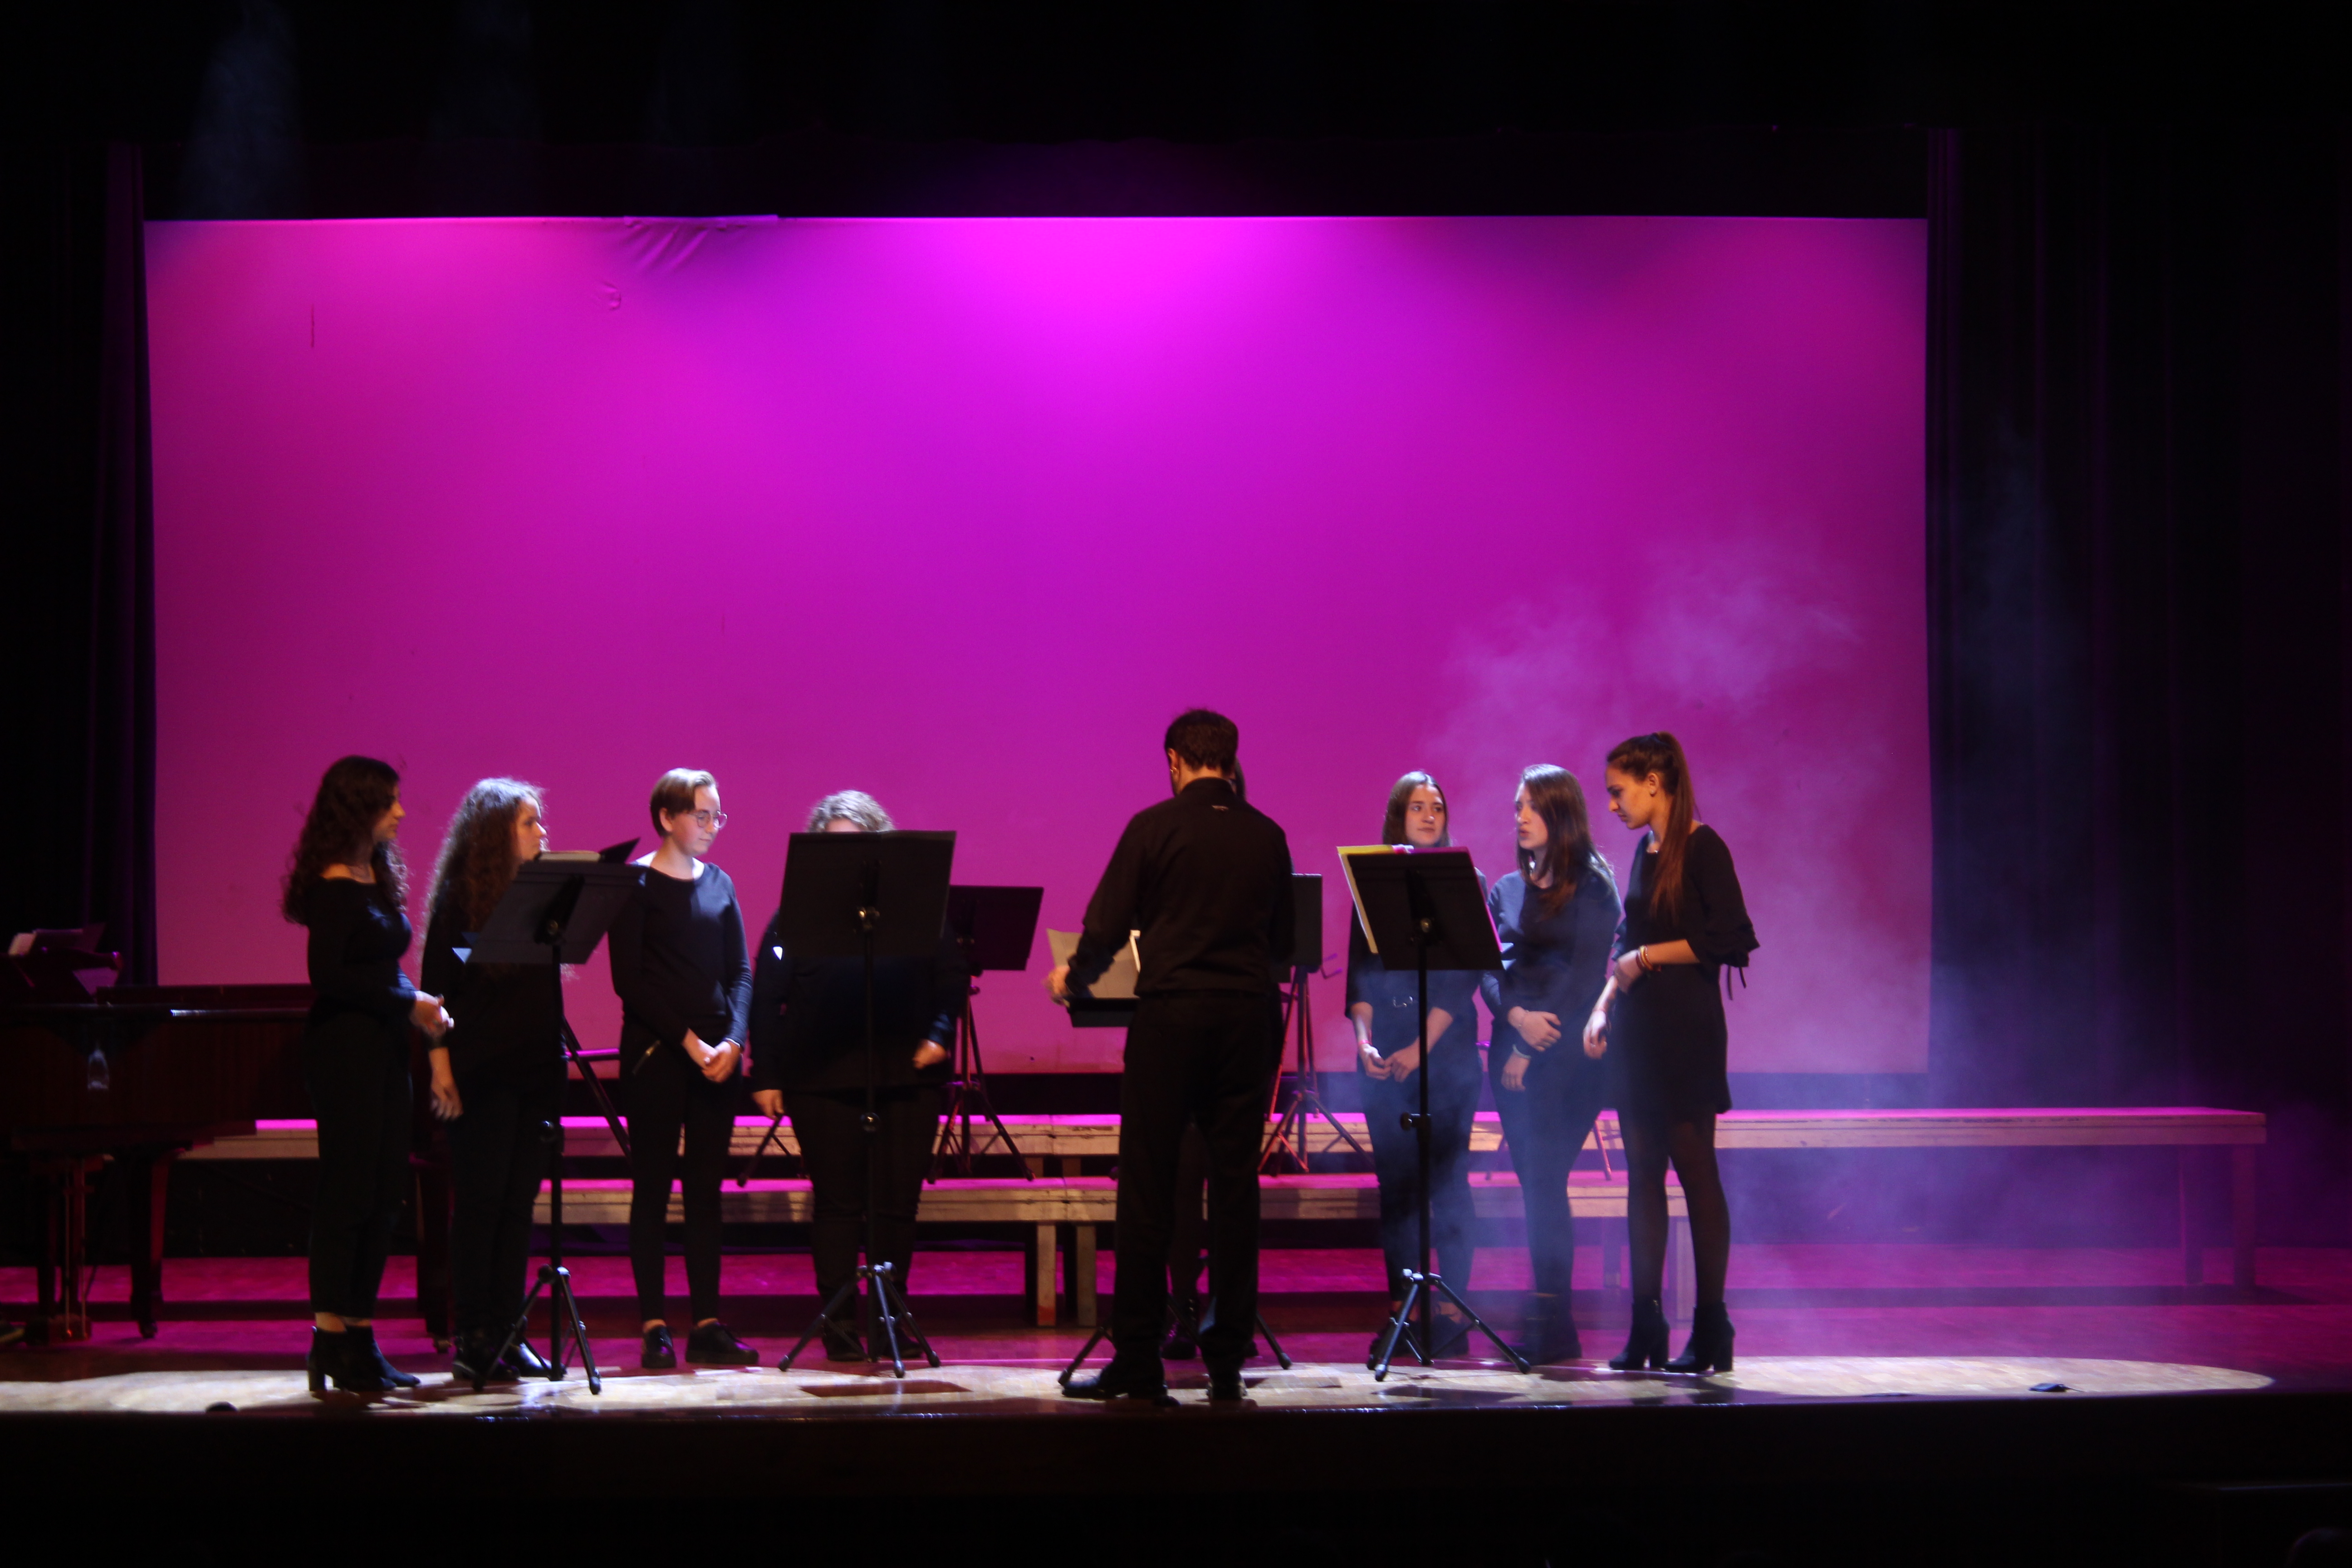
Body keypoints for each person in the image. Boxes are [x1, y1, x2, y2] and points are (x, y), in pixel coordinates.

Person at [1050, 710, 1294, 1403]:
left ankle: (1140, 1360)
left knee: (1150, 1186)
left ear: (1174, 760)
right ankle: (1225, 1360)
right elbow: (1283, 946)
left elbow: (1104, 924)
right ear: (1230, 759)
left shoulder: (1153, 828)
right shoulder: (1268, 835)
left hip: (1173, 1016)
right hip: (1248, 1019)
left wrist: (1075, 976)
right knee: (1236, 1187)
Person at [749, 791, 965, 1362]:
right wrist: (765, 1074)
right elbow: (768, 997)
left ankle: (892, 1316)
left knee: (897, 1204)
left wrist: (938, 1035)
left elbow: (950, 982)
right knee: (838, 1204)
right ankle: (839, 1322)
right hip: (820, 1078)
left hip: (906, 1077)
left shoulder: (919, 909)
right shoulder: (793, 914)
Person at [1583, 732, 1756, 1373]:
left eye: (1617, 791)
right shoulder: (1644, 849)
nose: (1613, 805)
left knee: (1695, 1173)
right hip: (1639, 1034)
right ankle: (1646, 1324)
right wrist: (1603, 1003)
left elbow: (1730, 939)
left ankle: (1712, 1325)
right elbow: (1631, 937)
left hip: (1685, 1035)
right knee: (1642, 1181)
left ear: (1654, 782)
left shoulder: (1703, 846)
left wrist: (1644, 960)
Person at [282, 755, 450, 1393]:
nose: (402, 813)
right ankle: (330, 1337)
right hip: (344, 1051)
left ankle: (359, 1333)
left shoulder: (372, 874)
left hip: (381, 1049)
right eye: (391, 803)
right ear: (359, 808)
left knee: (384, 1194)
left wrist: (418, 1003)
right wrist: (409, 1002)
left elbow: (381, 970)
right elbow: (331, 977)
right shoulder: (332, 885)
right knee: (349, 1192)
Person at [609, 768, 757, 1369]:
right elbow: (631, 982)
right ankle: (653, 1324)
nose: (711, 826)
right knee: (653, 1188)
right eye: (702, 814)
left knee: (705, 1193)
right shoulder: (636, 885)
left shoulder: (720, 884)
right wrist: (691, 1042)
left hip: (716, 1061)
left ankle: (707, 1322)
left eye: (717, 815)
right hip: (657, 1057)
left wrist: (734, 1042)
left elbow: (741, 973)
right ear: (667, 818)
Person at [1480, 764, 1622, 1363]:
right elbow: (1488, 970)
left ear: (1560, 813)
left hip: (1567, 1060)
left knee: (1544, 1182)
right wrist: (1512, 1026)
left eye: (1531, 806)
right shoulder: (1506, 890)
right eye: (1517, 806)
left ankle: (1556, 1322)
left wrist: (1528, 1046)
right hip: (1513, 1050)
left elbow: (1585, 977)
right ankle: (1548, 1316)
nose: (1520, 816)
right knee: (1537, 1188)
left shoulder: (1594, 885)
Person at [419, 778, 559, 1384]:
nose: (543, 832)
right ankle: (473, 1332)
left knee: (517, 1205)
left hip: (533, 1069)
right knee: (481, 1204)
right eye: (531, 823)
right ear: (497, 832)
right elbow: (436, 990)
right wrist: (441, 1066)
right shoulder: (460, 898)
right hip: (481, 1072)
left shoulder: (542, 900)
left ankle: (510, 1329)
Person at [1348, 770, 1483, 1362]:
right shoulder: (1372, 884)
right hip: (1388, 1058)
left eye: (1437, 807)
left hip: (1445, 1055)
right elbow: (1361, 973)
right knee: (1397, 1189)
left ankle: (1451, 1309)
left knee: (1449, 1184)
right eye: (1417, 806)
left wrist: (1419, 1051)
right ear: (1397, 817)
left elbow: (1464, 978)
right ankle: (1402, 1307)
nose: (1429, 815)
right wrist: (1364, 1041)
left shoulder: (1465, 881)